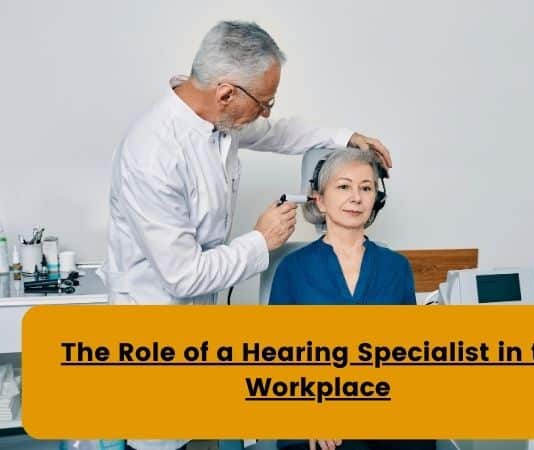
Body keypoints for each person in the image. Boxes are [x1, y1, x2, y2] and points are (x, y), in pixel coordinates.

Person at [98, 21, 392, 450]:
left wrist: (345, 136)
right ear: (226, 93)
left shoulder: (219, 122)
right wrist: (261, 241)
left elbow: (279, 134)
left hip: (200, 328)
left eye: (364, 188)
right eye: (265, 101)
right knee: (160, 440)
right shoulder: (152, 154)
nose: (267, 112)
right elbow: (181, 276)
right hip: (153, 330)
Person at [269, 148, 436, 450]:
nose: (356, 197)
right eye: (344, 186)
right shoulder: (292, 269)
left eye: (366, 188)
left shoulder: (396, 267)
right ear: (319, 199)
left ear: (376, 200)